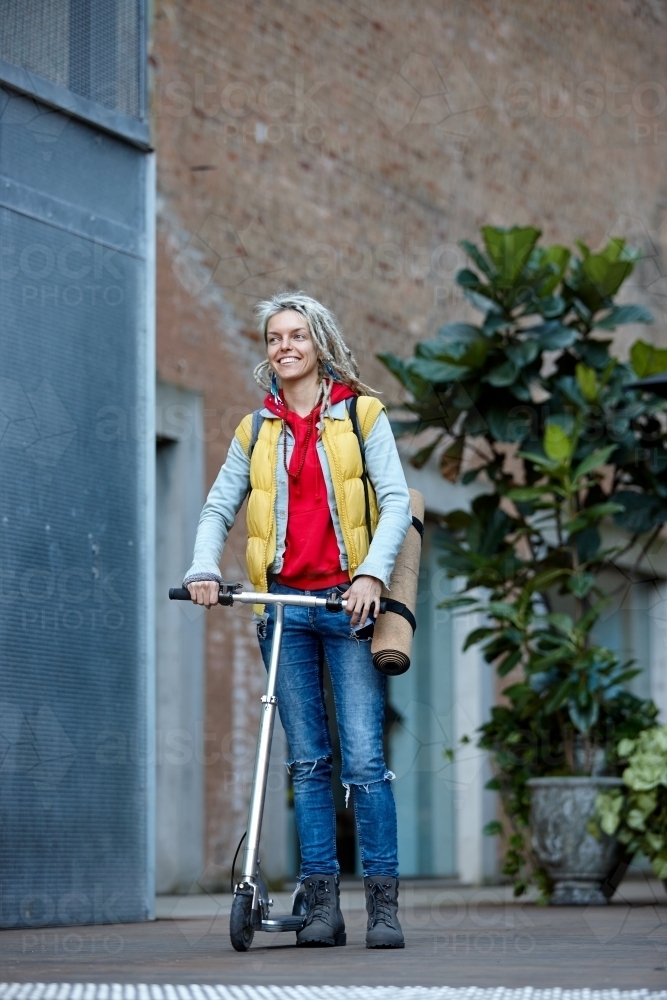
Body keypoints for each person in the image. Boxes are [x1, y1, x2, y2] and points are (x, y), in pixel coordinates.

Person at [184, 292, 412, 949]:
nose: (283, 346)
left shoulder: (362, 414)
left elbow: (394, 499)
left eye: (296, 336)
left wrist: (369, 574)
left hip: (346, 604)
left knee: (364, 762)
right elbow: (217, 506)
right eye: (273, 338)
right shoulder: (256, 430)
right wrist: (203, 568)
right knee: (308, 763)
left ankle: (384, 909)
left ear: (319, 345)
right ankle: (321, 908)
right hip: (283, 608)